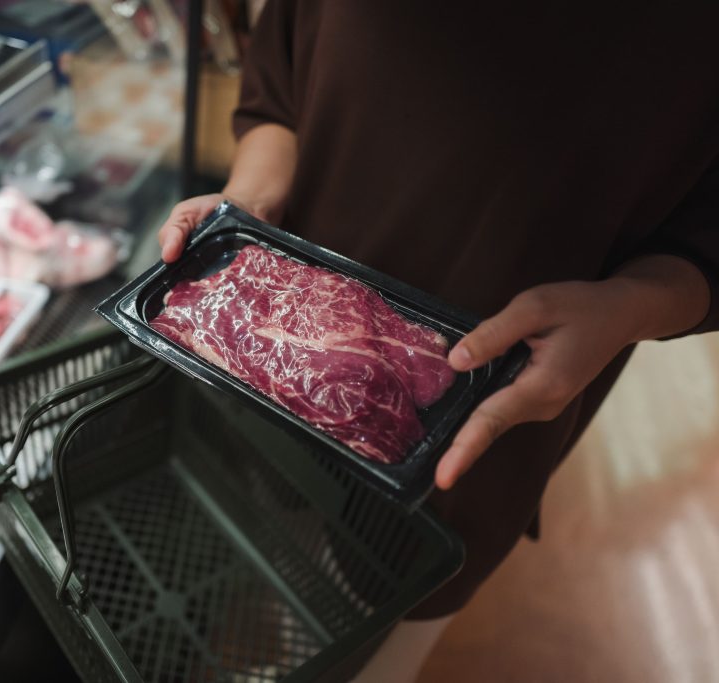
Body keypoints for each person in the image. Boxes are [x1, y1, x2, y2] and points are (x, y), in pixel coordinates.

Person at [157, 1, 719, 680]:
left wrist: (630, 306)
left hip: (475, 421)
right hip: (261, 353)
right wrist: (250, 196)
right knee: (274, 553)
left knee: (372, 643)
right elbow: (280, 85)